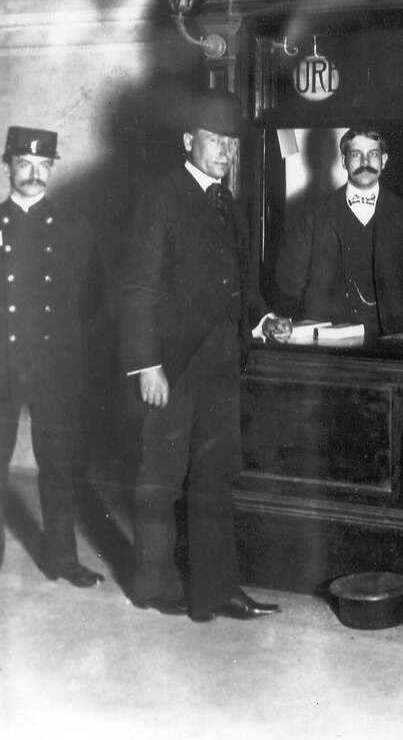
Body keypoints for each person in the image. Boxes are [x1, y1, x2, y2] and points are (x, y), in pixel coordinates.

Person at [120, 88, 292, 620]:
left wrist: (263, 319)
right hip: (171, 368)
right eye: (215, 140)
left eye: (231, 143)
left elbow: (244, 283)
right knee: (160, 481)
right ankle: (155, 584)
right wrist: (147, 365)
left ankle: (217, 591)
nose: (225, 151)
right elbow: (138, 288)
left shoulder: (229, 203)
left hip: (221, 365)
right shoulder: (162, 197)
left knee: (216, 482)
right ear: (189, 140)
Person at [0, 126, 104, 588]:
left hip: (54, 365)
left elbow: (93, 299)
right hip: (2, 363)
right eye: (24, 164)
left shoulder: (74, 228)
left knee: (59, 467)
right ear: (7, 166)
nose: (34, 174)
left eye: (43, 166)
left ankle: (62, 560)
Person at [274, 127, 403, 338]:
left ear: (384, 160)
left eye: (373, 154)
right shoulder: (315, 214)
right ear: (343, 160)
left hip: (391, 342)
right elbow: (289, 282)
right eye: (356, 154)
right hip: (328, 345)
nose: (365, 162)